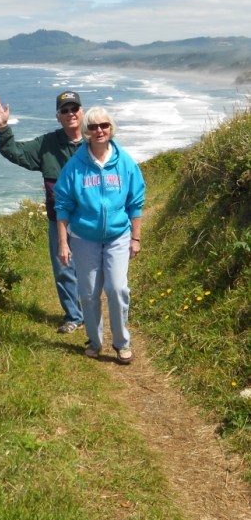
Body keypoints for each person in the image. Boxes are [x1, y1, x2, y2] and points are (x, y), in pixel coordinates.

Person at [53, 106, 145, 364]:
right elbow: (62, 205)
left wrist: (135, 238)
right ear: (86, 132)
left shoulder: (124, 162)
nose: (99, 131)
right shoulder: (75, 166)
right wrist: (63, 243)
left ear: (111, 128)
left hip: (118, 235)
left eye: (103, 125)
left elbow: (135, 202)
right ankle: (95, 341)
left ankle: (122, 343)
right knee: (89, 293)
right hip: (84, 238)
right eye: (92, 127)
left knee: (117, 289)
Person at [0, 91, 85, 333]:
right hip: (59, 220)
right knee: (64, 269)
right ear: (58, 116)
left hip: (91, 218)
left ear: (82, 112)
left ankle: (98, 312)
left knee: (95, 268)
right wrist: (3, 129)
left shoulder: (96, 140)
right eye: (65, 110)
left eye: (74, 108)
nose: (70, 113)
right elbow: (15, 152)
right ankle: (74, 316)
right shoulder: (47, 144)